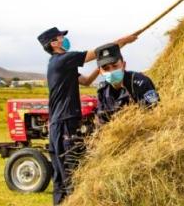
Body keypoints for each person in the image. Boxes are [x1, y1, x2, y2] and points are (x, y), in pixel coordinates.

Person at [37, 27, 137, 205]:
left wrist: (101, 69)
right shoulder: (63, 59)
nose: (64, 39)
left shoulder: (59, 65)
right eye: (61, 37)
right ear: (54, 43)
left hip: (58, 125)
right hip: (65, 123)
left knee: (61, 178)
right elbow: (98, 53)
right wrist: (123, 41)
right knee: (71, 175)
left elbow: (86, 81)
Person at [94, 43, 159, 125]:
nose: (111, 72)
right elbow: (101, 122)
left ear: (123, 65)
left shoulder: (140, 83)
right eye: (106, 69)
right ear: (100, 72)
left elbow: (155, 114)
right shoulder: (102, 91)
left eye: (115, 66)